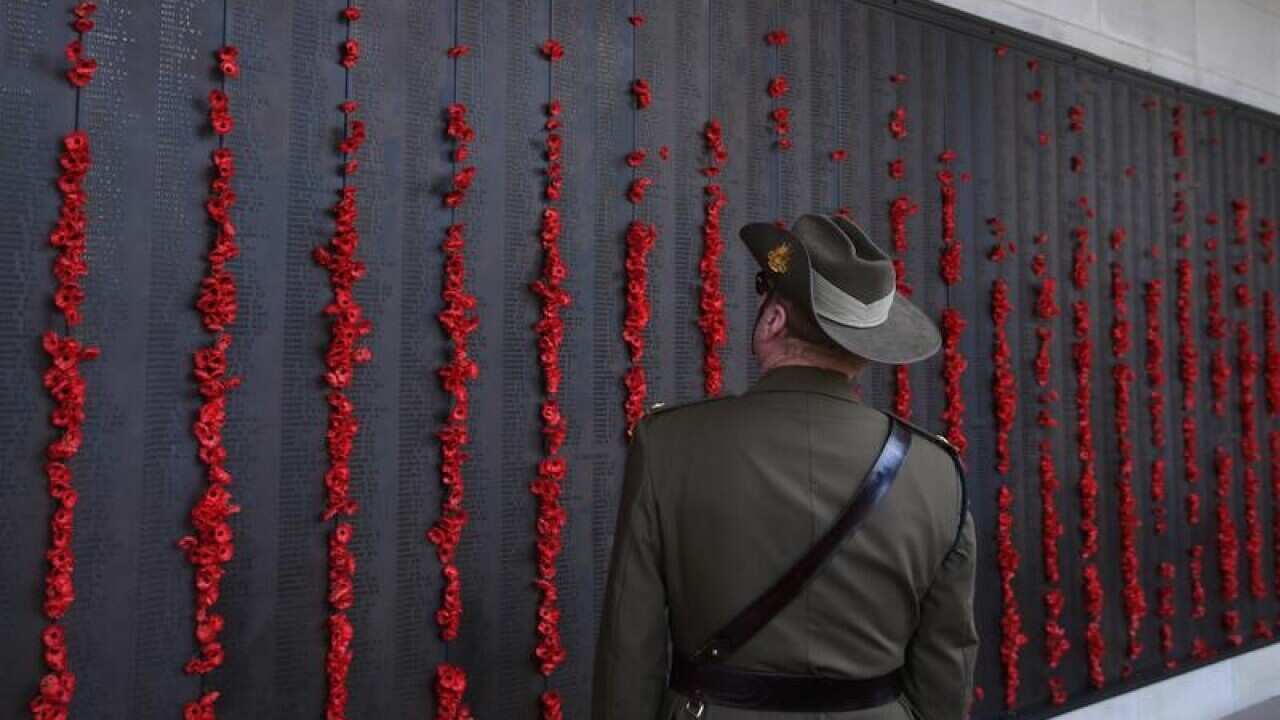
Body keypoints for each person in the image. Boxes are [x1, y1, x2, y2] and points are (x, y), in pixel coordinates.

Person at [592, 214, 977, 719]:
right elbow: (945, 666)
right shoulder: (937, 472)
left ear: (774, 320)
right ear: (864, 351)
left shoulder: (670, 446)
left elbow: (630, 644)